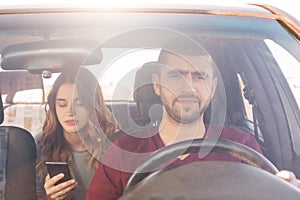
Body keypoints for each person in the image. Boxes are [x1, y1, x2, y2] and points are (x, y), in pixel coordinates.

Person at [86, 38, 300, 200]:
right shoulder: (123, 151)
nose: (188, 86)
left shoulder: (242, 145)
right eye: (176, 75)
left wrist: (287, 189)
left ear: (213, 87)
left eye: (199, 76)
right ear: (157, 85)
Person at [36, 67, 118, 200]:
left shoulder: (115, 142)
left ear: (93, 105)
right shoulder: (44, 142)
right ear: (53, 107)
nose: (70, 112)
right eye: (62, 104)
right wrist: (49, 197)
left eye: (79, 104)